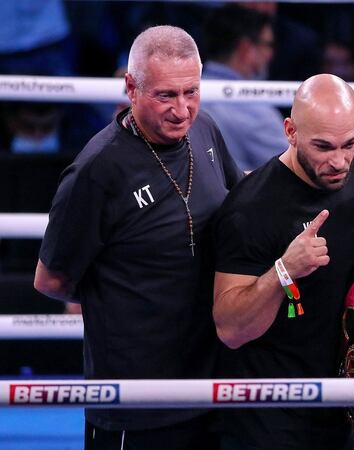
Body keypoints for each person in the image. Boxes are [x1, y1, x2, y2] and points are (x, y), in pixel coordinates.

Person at [33, 25, 242, 450]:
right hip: (135, 401)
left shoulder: (205, 131)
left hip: (211, 387)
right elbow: (51, 279)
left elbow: (244, 204)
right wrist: (122, 298)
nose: (182, 110)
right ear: (131, 88)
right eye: (165, 95)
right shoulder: (97, 171)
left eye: (191, 92)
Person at [212, 74, 354, 450]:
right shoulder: (251, 208)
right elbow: (230, 329)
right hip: (266, 415)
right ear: (290, 131)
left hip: (335, 409)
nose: (338, 160)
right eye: (323, 146)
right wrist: (283, 270)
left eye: (348, 144)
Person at [202, 4, 287, 171]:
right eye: (267, 44)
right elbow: (293, 171)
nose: (270, 55)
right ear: (245, 48)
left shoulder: (182, 95)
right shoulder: (256, 111)